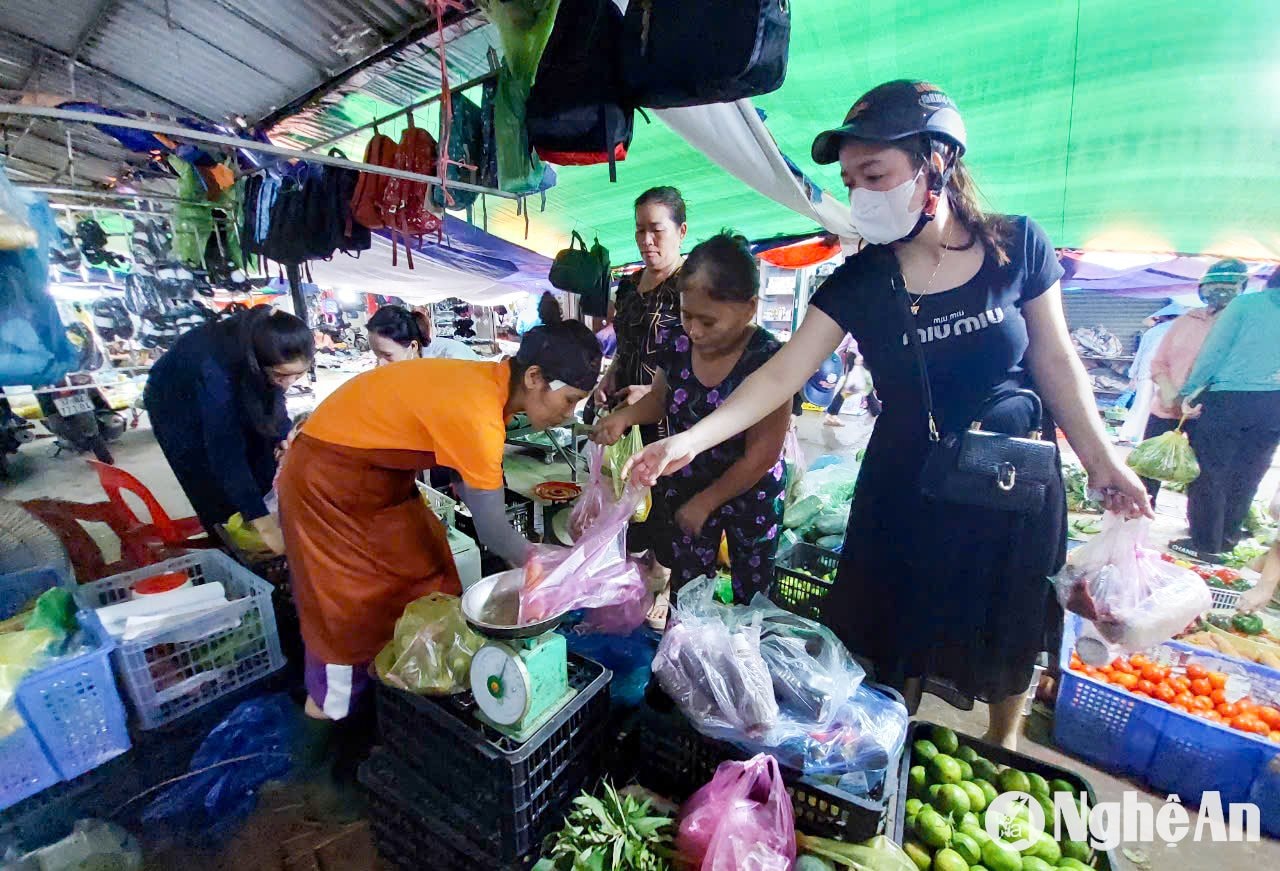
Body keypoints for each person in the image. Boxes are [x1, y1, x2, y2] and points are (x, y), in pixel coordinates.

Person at [629, 80, 1149, 749]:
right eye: (850, 181)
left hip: (1012, 482)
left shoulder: (1018, 246)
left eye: (873, 174)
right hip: (906, 485)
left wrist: (1104, 459)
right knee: (891, 640)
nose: (859, 195)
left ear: (936, 163)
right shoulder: (861, 280)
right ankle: (884, 753)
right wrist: (690, 440)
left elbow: (1056, 362)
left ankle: (1004, 748)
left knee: (1007, 628)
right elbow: (783, 372)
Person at [276, 313, 601, 724]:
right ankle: (329, 731)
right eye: (570, 399)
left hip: (380, 485)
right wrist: (536, 563)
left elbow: (468, 485)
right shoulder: (478, 412)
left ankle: (406, 689)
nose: (570, 414)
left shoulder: (490, 387)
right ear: (534, 377)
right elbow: (491, 528)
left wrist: (523, 559)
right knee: (347, 614)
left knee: (428, 571)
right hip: (327, 489)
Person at [592, 232, 793, 600]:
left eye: (709, 321)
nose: (694, 330)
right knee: (688, 591)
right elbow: (661, 400)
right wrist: (625, 417)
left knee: (753, 596)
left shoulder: (769, 360)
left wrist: (708, 501)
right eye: (687, 315)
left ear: (749, 308)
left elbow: (762, 456)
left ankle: (746, 655)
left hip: (750, 496)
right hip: (688, 485)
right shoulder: (677, 344)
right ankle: (682, 652)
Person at [144, 307, 313, 552]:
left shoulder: (270, 341)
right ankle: (232, 547)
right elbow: (226, 452)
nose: (288, 383)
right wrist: (265, 527)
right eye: (281, 375)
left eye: (297, 375)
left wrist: (283, 433)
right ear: (258, 363)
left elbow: (272, 396)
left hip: (239, 374)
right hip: (176, 406)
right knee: (212, 483)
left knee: (267, 460)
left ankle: (259, 513)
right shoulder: (213, 368)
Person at [1173, 264, 1280, 561]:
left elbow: (1214, 351)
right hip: (1275, 404)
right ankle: (1227, 540)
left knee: (1210, 470)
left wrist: (1190, 389)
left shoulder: (1246, 305)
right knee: (1249, 472)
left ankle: (1204, 544)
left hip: (1229, 397)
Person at [1138, 260, 1248, 503]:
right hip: (1166, 408)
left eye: (1228, 286)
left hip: (1208, 412)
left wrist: (1197, 398)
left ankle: (1198, 535)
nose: (1220, 292)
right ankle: (1134, 522)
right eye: (1214, 286)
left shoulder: (1242, 325)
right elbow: (1159, 362)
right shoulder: (1188, 320)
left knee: (1206, 477)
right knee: (1147, 469)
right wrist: (1170, 394)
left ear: (1241, 288)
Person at [596, 186, 688, 426]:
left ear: (682, 232)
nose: (646, 240)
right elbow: (628, 344)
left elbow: (708, 363)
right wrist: (611, 373)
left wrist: (651, 392)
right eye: (640, 230)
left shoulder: (692, 289)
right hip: (624, 416)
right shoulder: (629, 286)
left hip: (670, 421)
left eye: (657, 230)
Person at [1115, 307, 1180, 445]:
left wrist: (1133, 375)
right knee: (1158, 407)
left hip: (1145, 372)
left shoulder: (1152, 332)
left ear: (1163, 317)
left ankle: (1127, 435)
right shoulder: (1180, 331)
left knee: (1140, 404)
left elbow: (1140, 354)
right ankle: (1147, 439)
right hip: (1165, 375)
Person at [366, 304, 479, 365]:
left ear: (413, 346)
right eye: (377, 356)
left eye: (388, 355)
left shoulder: (453, 359)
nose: (381, 364)